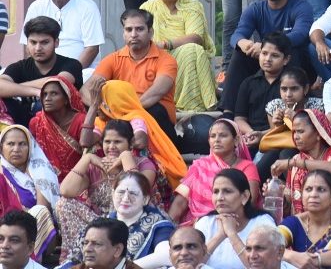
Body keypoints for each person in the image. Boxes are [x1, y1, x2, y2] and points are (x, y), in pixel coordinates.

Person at [58, 120, 170, 256]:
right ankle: (81, 255)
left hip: (134, 221)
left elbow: (140, 187)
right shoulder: (95, 166)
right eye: (107, 142)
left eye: (117, 142)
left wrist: (125, 156)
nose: (111, 146)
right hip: (101, 222)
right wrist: (87, 158)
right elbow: (65, 190)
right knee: (63, 204)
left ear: (130, 143)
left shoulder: (143, 163)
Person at [223, 0, 315, 115]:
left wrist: (266, 47)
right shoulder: (256, 8)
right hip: (266, 61)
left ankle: (293, 109)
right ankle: (228, 112)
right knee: (239, 54)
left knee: (293, 50)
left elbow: (300, 34)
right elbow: (237, 34)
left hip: (296, 63)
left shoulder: (301, 6)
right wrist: (242, 42)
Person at [83, 10, 180, 140]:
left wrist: (121, 114)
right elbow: (85, 91)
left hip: (153, 120)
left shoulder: (166, 60)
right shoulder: (112, 59)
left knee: (156, 109)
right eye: (129, 30)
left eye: (139, 29)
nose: (133, 35)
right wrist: (101, 107)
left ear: (150, 32)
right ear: (124, 34)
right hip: (118, 118)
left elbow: (156, 93)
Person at [140, 0, 218, 112]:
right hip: (155, 57)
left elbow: (196, 37)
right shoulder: (148, 7)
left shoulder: (192, 7)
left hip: (183, 54)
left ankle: (191, 105)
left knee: (192, 49)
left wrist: (165, 44)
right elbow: (140, 35)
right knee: (192, 51)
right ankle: (198, 102)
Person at [84, 81, 188, 189]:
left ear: (113, 102)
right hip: (110, 166)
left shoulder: (135, 116)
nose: (99, 107)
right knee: (93, 148)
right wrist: (93, 105)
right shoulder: (102, 121)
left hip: (141, 169)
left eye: (102, 102)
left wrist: (121, 155)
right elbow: (85, 142)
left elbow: (140, 142)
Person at [268, 108, 331, 214]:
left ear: (318, 134)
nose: (295, 137)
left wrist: (294, 163)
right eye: (294, 132)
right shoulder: (296, 159)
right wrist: (277, 190)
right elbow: (291, 198)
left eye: (300, 131)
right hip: (305, 224)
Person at [169, 118, 260, 226]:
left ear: (236, 140)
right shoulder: (199, 166)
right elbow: (180, 203)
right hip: (198, 225)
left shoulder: (247, 167)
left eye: (223, 135)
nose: (216, 140)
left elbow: (250, 202)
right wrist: (167, 226)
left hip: (236, 223)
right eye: (213, 136)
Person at [19, 0, 105, 68]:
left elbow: (92, 48)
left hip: (81, 70)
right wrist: (37, 71)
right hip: (43, 69)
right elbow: (28, 45)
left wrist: (71, 73)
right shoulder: (36, 7)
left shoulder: (88, 7)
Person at [3, 15, 85, 124]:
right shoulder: (19, 67)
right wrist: (36, 92)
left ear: (56, 42)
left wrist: (15, 89)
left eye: (44, 42)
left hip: (64, 127)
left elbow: (59, 81)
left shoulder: (72, 64)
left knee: (45, 102)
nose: (38, 48)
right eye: (33, 42)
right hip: (23, 126)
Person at [192, 169, 276, 269]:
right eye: (216, 192)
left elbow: (263, 266)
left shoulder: (262, 223)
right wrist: (219, 236)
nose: (219, 198)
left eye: (227, 191)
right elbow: (191, 266)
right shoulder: (205, 222)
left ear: (245, 196)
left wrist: (232, 234)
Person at [278, 170, 331, 268]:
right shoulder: (294, 223)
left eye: (321, 189)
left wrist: (316, 260)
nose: (313, 194)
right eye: (309, 189)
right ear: (302, 195)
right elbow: (270, 245)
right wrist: (292, 256)